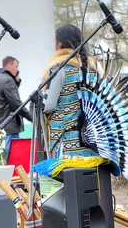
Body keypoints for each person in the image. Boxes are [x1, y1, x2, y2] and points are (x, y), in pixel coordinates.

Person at [42, 24, 98, 158]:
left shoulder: (60, 68)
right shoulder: (92, 67)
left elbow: (49, 106)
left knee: (68, 178)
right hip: (90, 141)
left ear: (59, 43)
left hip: (67, 142)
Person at [0, 56, 32, 160]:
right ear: (8, 65)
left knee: (1, 156)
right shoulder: (8, 80)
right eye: (16, 66)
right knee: (12, 157)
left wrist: (17, 82)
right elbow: (16, 104)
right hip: (10, 124)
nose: (17, 69)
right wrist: (32, 118)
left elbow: (4, 98)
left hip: (0, 122)